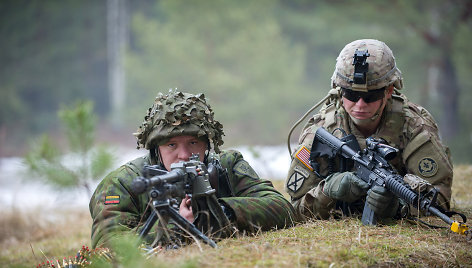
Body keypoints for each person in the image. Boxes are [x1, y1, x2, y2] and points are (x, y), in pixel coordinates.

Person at [90, 90, 296, 249]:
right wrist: (173, 225)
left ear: (207, 145)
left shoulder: (227, 165)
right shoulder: (124, 183)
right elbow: (107, 246)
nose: (184, 155)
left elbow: (282, 209)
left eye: (193, 143)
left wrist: (221, 212)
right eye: (171, 145)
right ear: (156, 149)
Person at [285, 39, 453, 221]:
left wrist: (397, 207)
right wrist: (328, 191)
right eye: (351, 94)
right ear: (339, 91)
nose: (360, 104)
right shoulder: (322, 132)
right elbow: (296, 209)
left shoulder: (413, 127)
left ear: (389, 91)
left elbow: (439, 201)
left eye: (370, 96)